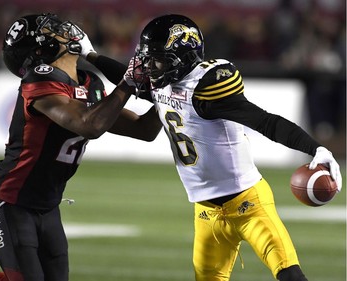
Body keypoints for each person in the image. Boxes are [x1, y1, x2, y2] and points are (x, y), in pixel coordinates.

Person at [123, 14, 343, 281]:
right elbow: (123, 77)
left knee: (290, 275)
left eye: (157, 59)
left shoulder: (206, 87)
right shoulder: (163, 84)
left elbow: (266, 122)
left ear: (182, 57)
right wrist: (91, 56)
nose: (148, 67)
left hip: (248, 203)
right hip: (205, 211)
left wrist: (316, 148)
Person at [0, 13, 162, 281]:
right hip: (11, 201)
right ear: (42, 48)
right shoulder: (40, 81)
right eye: (52, 31)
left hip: (48, 205)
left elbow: (145, 130)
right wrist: (130, 81)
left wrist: (168, 92)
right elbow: (90, 125)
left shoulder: (88, 82)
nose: (64, 31)